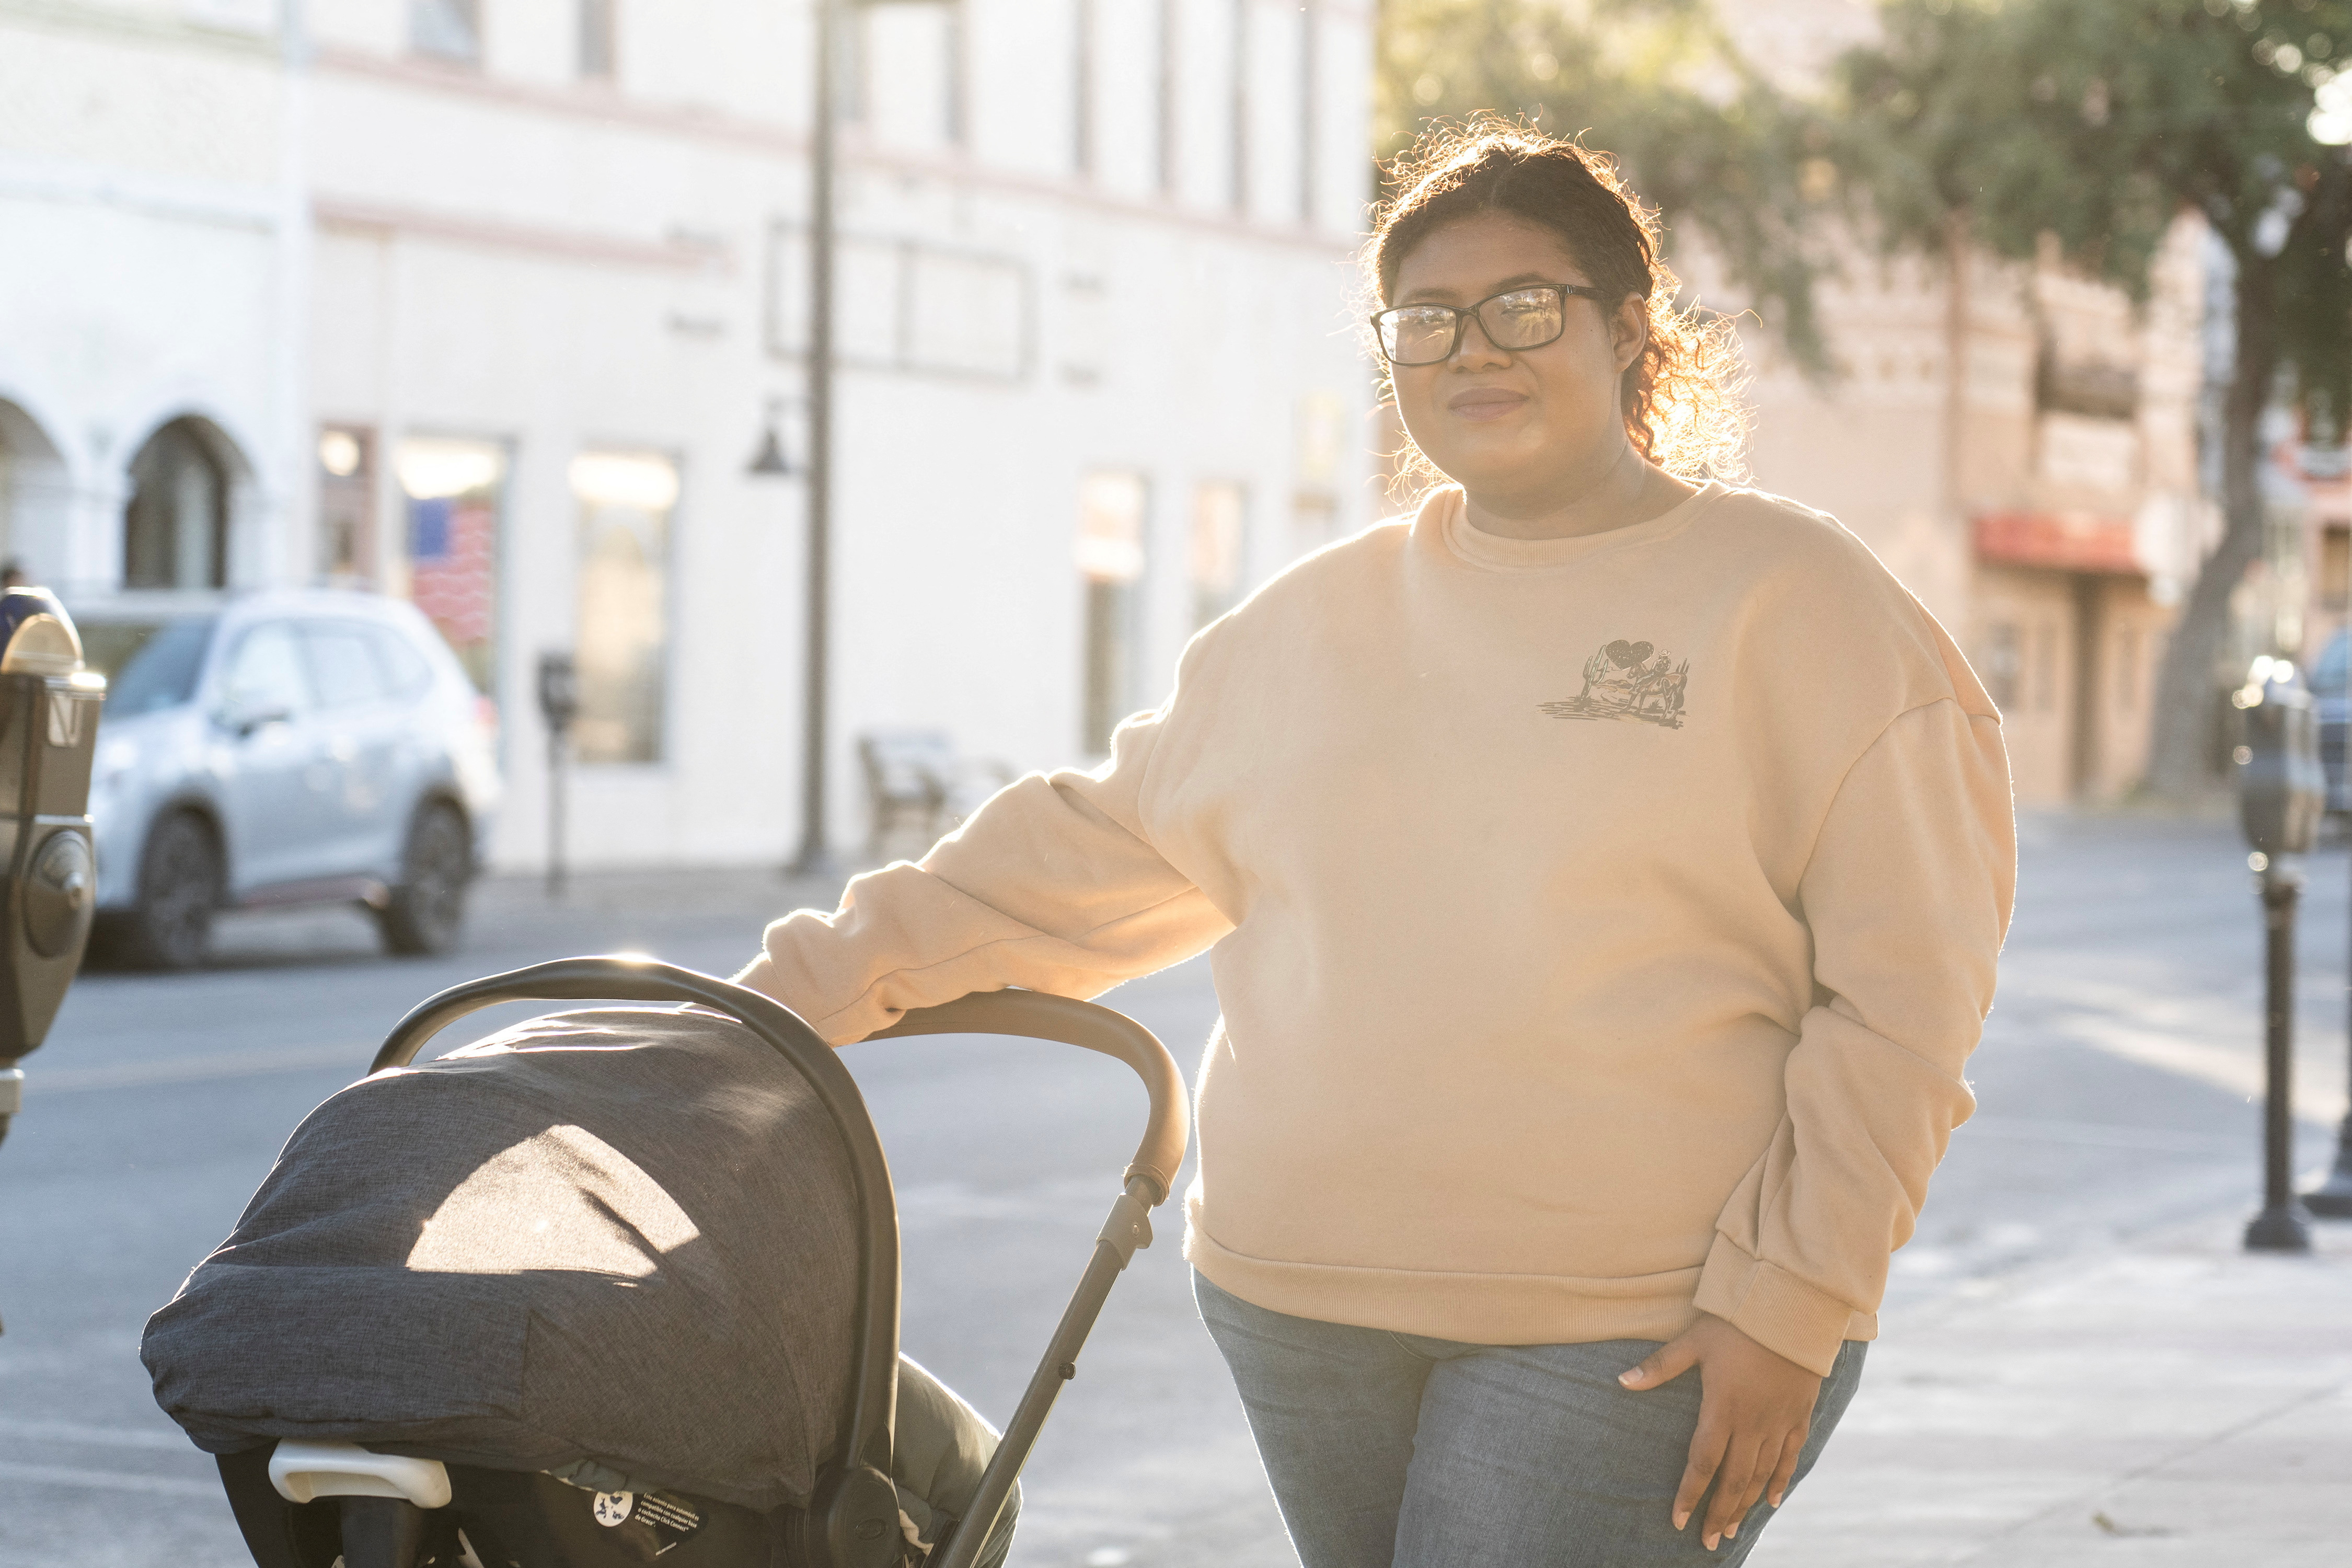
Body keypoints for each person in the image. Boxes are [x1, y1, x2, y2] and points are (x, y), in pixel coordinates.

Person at [738, 122, 2013, 1567]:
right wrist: (765, 1011)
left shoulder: (1803, 604)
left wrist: (1792, 1302)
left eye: (1523, 307)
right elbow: (1076, 859)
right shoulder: (1313, 618)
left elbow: (1905, 1002)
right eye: (1426, 319)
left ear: (1628, 329)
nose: (1473, 349)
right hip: (1298, 1314)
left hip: (1633, 1327)